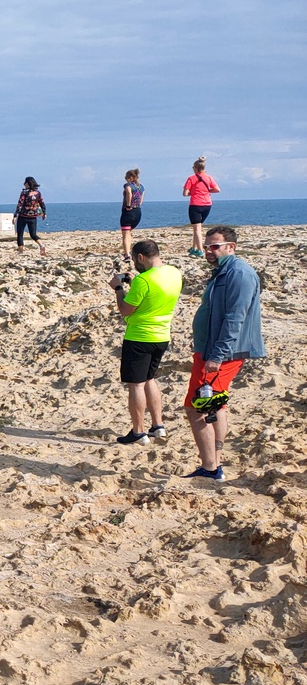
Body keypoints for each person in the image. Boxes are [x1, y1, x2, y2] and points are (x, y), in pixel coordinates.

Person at [184, 226, 264, 480]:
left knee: (195, 407)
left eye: (215, 246)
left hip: (221, 355)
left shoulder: (239, 274)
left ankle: (210, 467)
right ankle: (215, 463)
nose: (209, 250)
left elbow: (234, 318)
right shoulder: (224, 271)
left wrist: (217, 356)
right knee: (216, 405)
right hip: (212, 351)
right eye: (207, 246)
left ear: (231, 247)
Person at [110, 240, 181, 445]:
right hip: (162, 335)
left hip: (140, 336)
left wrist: (118, 289)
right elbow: (152, 296)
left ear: (140, 257)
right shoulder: (174, 273)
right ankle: (158, 425)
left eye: (133, 259)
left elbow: (125, 310)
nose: (133, 264)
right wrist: (135, 284)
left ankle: (138, 431)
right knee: (150, 378)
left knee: (136, 385)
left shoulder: (144, 281)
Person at [183, 157, 220, 256]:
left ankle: (200, 250)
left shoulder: (191, 178)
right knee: (198, 227)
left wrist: (194, 192)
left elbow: (185, 193)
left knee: (197, 229)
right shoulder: (209, 178)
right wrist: (206, 191)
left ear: (195, 168)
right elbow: (217, 189)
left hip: (195, 204)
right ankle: (194, 247)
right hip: (207, 204)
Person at [15, 177, 47, 255]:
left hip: (23, 216)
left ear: (28, 183)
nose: (24, 184)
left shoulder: (24, 192)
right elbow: (42, 203)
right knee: (33, 234)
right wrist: (44, 213)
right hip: (33, 216)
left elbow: (20, 204)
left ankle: (21, 251)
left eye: (25, 182)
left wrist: (15, 215)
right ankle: (41, 245)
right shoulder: (38, 193)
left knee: (20, 234)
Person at [119, 169, 144, 256]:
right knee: (129, 232)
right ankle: (128, 251)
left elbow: (129, 193)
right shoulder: (141, 187)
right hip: (137, 211)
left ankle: (127, 254)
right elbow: (141, 200)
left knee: (125, 234)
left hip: (128, 211)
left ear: (130, 177)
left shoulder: (127, 185)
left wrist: (128, 205)